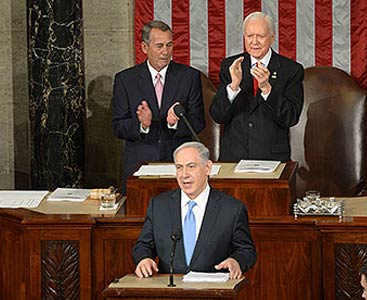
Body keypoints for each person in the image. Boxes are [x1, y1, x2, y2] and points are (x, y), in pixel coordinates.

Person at [132, 141, 257, 279]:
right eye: (179, 167)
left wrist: (236, 262)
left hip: (212, 291)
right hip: (170, 290)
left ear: (207, 168)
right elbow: (143, 245)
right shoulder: (159, 205)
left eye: (191, 166)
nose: (184, 174)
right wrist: (144, 259)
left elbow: (246, 251)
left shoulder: (232, 209)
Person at [112, 20, 205, 194]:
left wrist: (173, 123)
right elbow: (117, 126)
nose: (165, 52)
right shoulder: (125, 80)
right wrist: (142, 125)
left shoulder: (188, 77)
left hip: (178, 165)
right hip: (139, 166)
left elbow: (199, 122)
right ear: (144, 47)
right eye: (159, 46)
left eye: (169, 45)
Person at [209, 12, 304, 162]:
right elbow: (218, 115)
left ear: (272, 38)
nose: (254, 42)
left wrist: (267, 89)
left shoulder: (290, 70)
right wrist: (233, 86)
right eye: (249, 36)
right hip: (233, 158)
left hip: (271, 159)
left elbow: (290, 117)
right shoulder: (231, 66)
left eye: (260, 36)